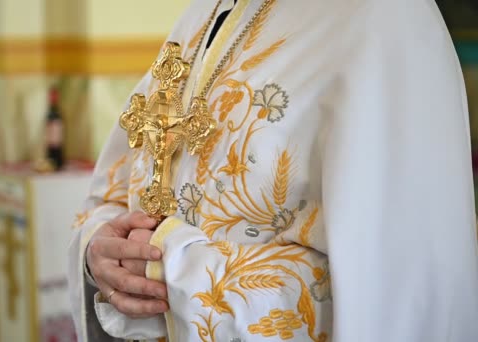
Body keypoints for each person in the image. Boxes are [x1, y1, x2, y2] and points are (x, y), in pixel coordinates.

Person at [68, 0, 478, 341]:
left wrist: (176, 274)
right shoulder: (204, 13)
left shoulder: (387, 20)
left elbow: (403, 298)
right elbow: (114, 192)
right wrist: (99, 252)